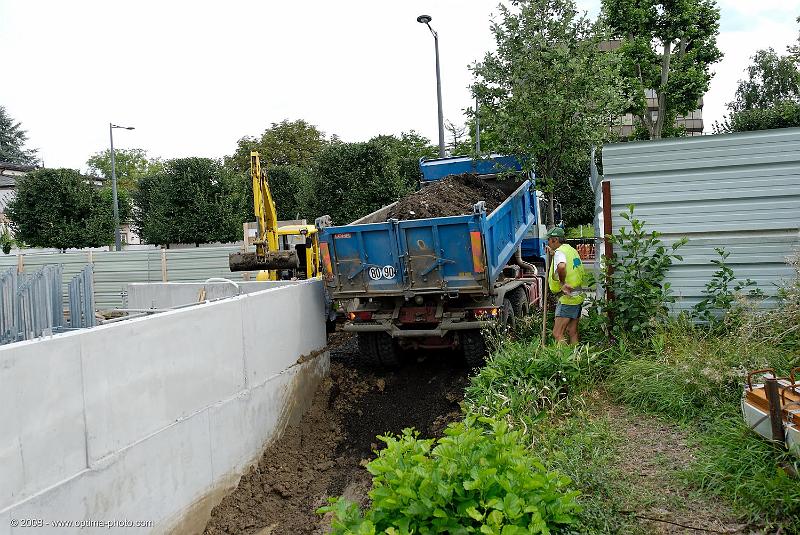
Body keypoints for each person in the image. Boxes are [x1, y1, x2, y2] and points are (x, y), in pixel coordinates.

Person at [545, 227, 586, 344]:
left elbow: (562, 266)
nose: (547, 242)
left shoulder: (560, 253)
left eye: (549, 240)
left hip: (567, 298)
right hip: (577, 295)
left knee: (557, 333)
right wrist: (553, 253)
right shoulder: (571, 250)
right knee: (572, 331)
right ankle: (576, 359)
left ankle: (564, 361)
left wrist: (562, 283)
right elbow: (572, 266)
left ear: (555, 240)